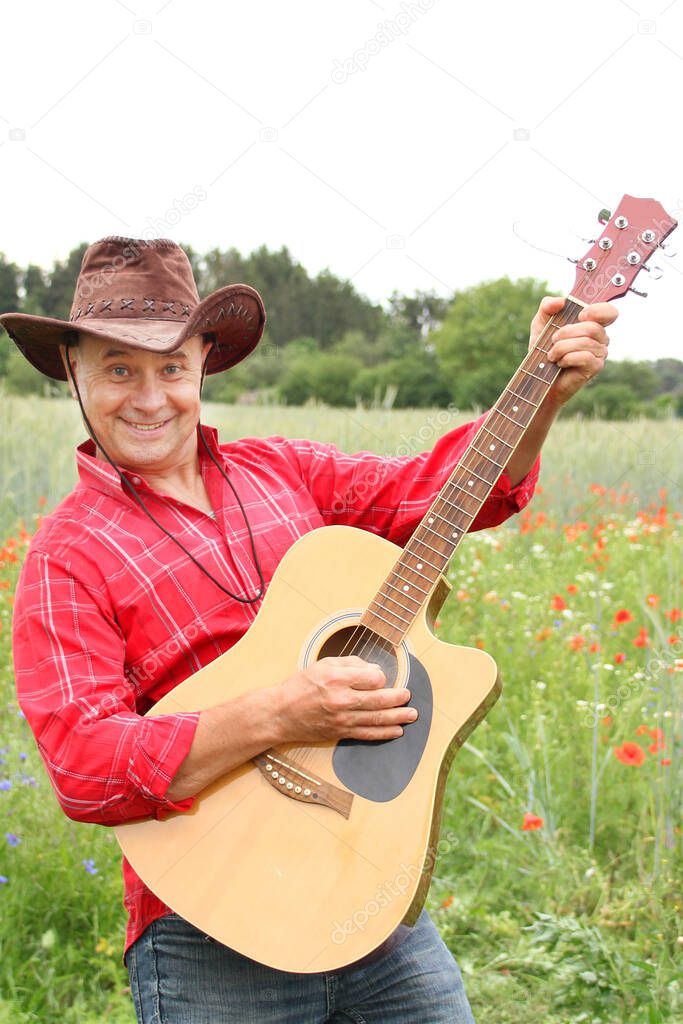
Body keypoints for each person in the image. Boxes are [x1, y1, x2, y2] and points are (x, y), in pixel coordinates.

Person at [3, 236, 616, 1023]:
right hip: (206, 922)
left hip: (366, 882)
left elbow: (438, 495)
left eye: (170, 368)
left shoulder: (283, 471)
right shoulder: (66, 556)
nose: (149, 397)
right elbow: (85, 767)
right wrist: (280, 713)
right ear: (73, 374)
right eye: (119, 368)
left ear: (202, 366)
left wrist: (538, 397)